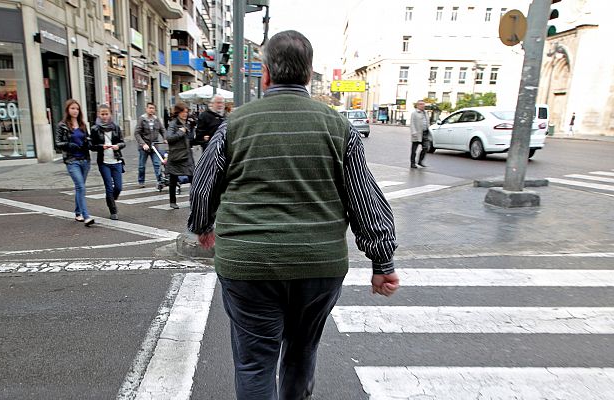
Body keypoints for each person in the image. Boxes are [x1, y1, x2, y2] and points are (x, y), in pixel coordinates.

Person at [187, 30, 399, 399]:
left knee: (255, 363)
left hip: (249, 264)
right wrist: (382, 262)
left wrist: (203, 225)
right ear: (308, 74)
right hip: (318, 265)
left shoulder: (234, 125)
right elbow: (364, 198)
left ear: (265, 74)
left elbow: (204, 186)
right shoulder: (340, 128)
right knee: (302, 353)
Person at [55, 99, 94, 227]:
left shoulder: (83, 124)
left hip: (85, 160)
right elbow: (58, 143)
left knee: (79, 188)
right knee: (81, 187)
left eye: (77, 109)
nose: (75, 111)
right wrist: (69, 145)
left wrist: (88, 143)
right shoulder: (62, 125)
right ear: (67, 110)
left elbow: (88, 139)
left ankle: (78, 213)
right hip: (72, 161)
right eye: (72, 108)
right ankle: (86, 216)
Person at [90, 104, 125, 220]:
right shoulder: (95, 129)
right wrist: (101, 146)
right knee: (109, 187)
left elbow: (122, 142)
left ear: (110, 114)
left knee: (118, 187)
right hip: (104, 162)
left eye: (106, 114)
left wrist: (118, 146)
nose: (104, 116)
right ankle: (113, 210)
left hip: (116, 160)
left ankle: (111, 199)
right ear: (99, 115)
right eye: (102, 114)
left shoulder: (115, 127)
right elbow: (91, 146)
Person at [165, 102, 195, 209]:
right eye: (183, 112)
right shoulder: (173, 123)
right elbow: (169, 138)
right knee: (173, 178)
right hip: (177, 155)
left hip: (187, 155)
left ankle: (193, 200)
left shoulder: (188, 123)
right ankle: (172, 201)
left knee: (192, 178)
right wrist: (180, 132)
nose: (185, 114)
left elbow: (191, 138)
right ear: (178, 112)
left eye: (186, 112)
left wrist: (192, 132)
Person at [134, 103, 166, 189]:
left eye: (153, 108)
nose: (151, 110)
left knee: (157, 164)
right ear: (146, 109)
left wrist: (165, 138)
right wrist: (143, 143)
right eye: (150, 108)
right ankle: (141, 181)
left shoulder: (156, 119)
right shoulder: (142, 119)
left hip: (155, 146)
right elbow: (137, 133)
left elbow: (162, 130)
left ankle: (160, 181)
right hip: (144, 147)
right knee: (142, 165)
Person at [410, 100, 431, 168]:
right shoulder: (414, 113)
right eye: (421, 104)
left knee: (426, 148)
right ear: (417, 105)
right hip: (417, 133)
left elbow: (427, 122)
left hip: (425, 133)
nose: (423, 106)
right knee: (414, 150)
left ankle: (420, 161)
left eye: (424, 104)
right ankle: (412, 163)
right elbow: (412, 123)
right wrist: (413, 132)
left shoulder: (425, 113)